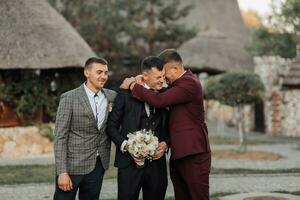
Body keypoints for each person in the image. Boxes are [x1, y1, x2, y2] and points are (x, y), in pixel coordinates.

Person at [121, 49, 211, 200]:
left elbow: (159, 100)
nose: (163, 79)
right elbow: (158, 92)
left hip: (194, 154)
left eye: (164, 73)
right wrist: (142, 81)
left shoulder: (189, 83)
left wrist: (132, 86)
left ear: (175, 68)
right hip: (179, 154)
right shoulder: (177, 85)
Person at [53, 57, 117, 200]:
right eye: (99, 72)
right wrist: (62, 171)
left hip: (98, 164)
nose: (103, 76)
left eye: (106, 73)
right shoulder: (69, 98)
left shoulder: (112, 96)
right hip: (72, 166)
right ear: (87, 73)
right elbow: (60, 137)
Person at [107, 56, 169, 200]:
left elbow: (172, 128)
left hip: (156, 165)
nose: (162, 80)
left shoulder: (167, 96)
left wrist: (165, 144)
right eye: (158, 77)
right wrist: (127, 146)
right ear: (145, 76)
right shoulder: (125, 95)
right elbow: (111, 127)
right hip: (128, 164)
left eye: (163, 77)